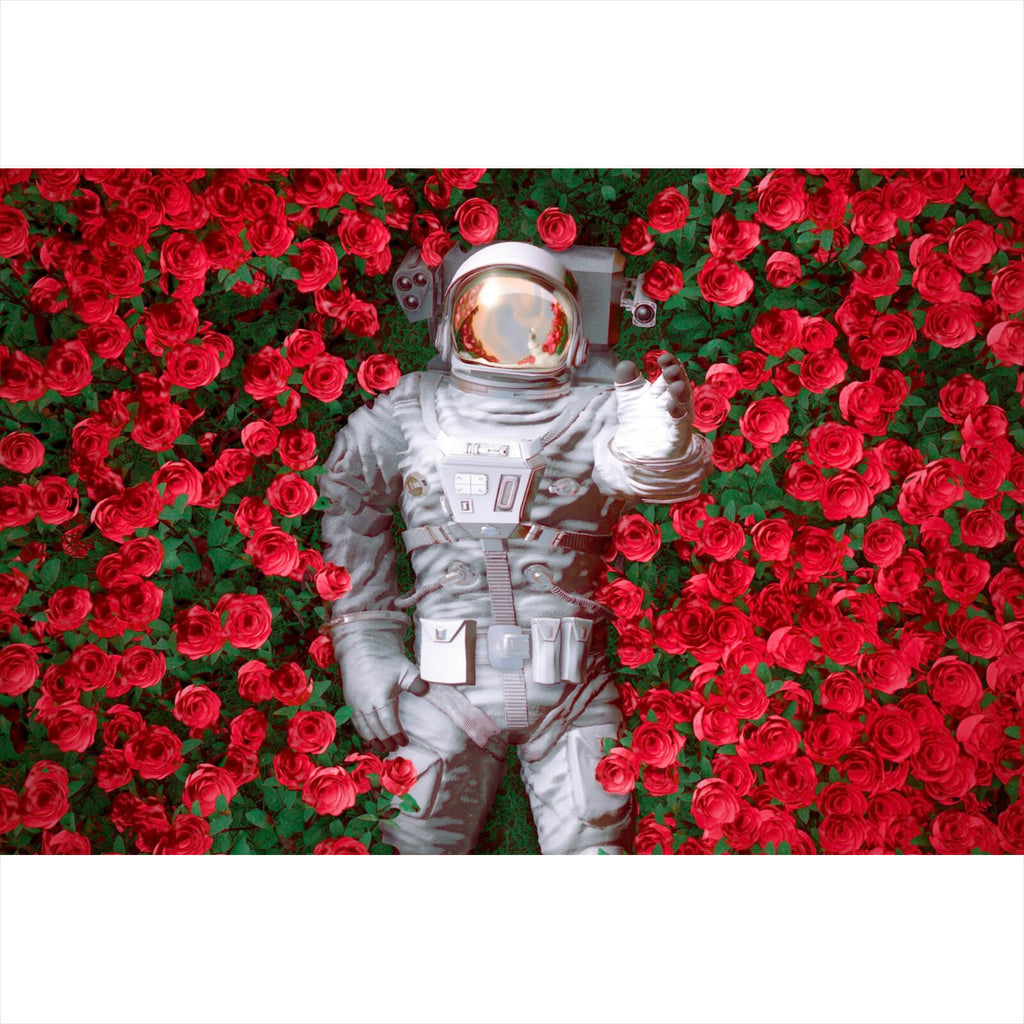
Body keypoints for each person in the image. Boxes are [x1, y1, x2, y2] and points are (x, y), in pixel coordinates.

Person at [319, 241, 712, 854]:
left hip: (571, 694)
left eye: (533, 319)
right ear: (450, 328)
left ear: (572, 335)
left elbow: (641, 466)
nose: (510, 335)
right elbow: (349, 499)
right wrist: (363, 638)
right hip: (439, 695)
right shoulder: (409, 411)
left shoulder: (597, 412)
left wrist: (663, 452)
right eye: (489, 318)